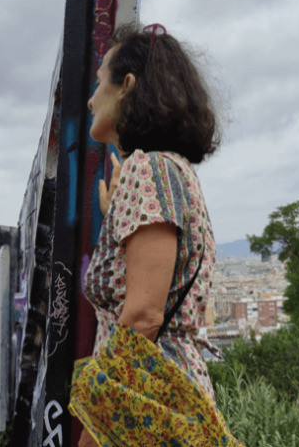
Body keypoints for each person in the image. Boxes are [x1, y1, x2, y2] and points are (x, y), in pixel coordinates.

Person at [71, 23, 239, 447]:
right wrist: (118, 216)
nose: (91, 99)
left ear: (126, 86)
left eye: (99, 82)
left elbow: (143, 317)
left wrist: (94, 433)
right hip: (170, 400)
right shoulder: (171, 172)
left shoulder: (150, 170)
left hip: (147, 412)